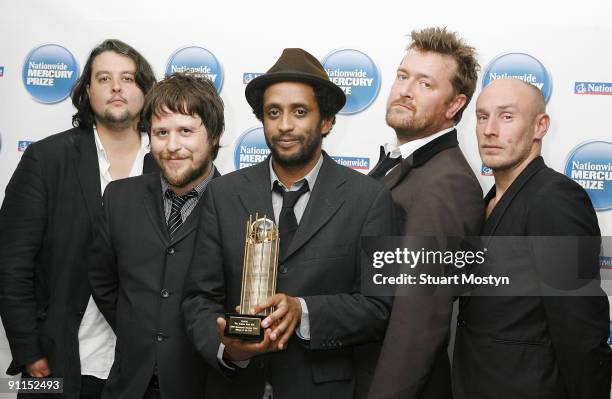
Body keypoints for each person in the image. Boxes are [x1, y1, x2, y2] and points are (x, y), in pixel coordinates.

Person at [181, 48, 395, 399]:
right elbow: (199, 298)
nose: (284, 125)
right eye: (273, 113)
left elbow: (378, 306)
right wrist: (229, 349)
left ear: (326, 121)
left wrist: (303, 311)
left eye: (300, 112)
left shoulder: (368, 199)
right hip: (235, 387)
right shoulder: (223, 194)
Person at [0, 39, 156, 399]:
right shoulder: (46, 160)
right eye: (104, 78)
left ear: (145, 91)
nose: (116, 87)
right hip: (57, 364)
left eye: (128, 78)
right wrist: (29, 351)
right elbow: (11, 264)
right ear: (87, 91)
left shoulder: (167, 165)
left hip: (142, 373)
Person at [453, 77, 612, 399]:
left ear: (541, 126)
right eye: (482, 117)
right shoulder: (488, 200)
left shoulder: (555, 198)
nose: (490, 130)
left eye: (507, 116)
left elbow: (580, 326)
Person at [89, 72, 223, 399]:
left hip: (202, 387)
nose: (172, 146)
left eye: (186, 131)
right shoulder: (119, 198)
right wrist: (141, 327)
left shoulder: (240, 205)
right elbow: (102, 280)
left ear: (215, 136)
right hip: (128, 386)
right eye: (161, 132)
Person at [367, 27, 484, 399]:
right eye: (403, 76)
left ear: (454, 106)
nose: (405, 90)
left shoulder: (447, 181)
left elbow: (419, 317)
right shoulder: (404, 163)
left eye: (425, 84)